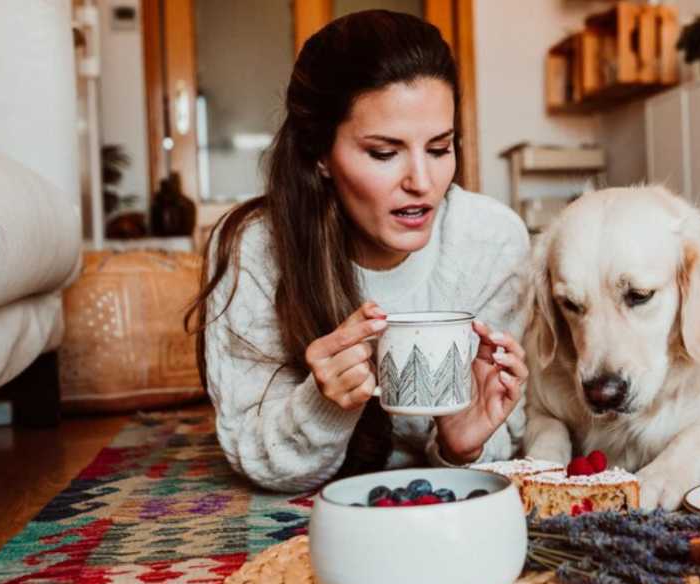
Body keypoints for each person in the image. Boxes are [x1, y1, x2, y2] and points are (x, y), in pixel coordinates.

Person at [186, 10, 531, 492]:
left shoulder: (491, 241)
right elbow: (257, 455)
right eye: (384, 153)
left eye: (439, 148)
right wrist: (325, 405)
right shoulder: (257, 247)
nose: (422, 183)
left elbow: (507, 443)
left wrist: (462, 446)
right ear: (321, 154)